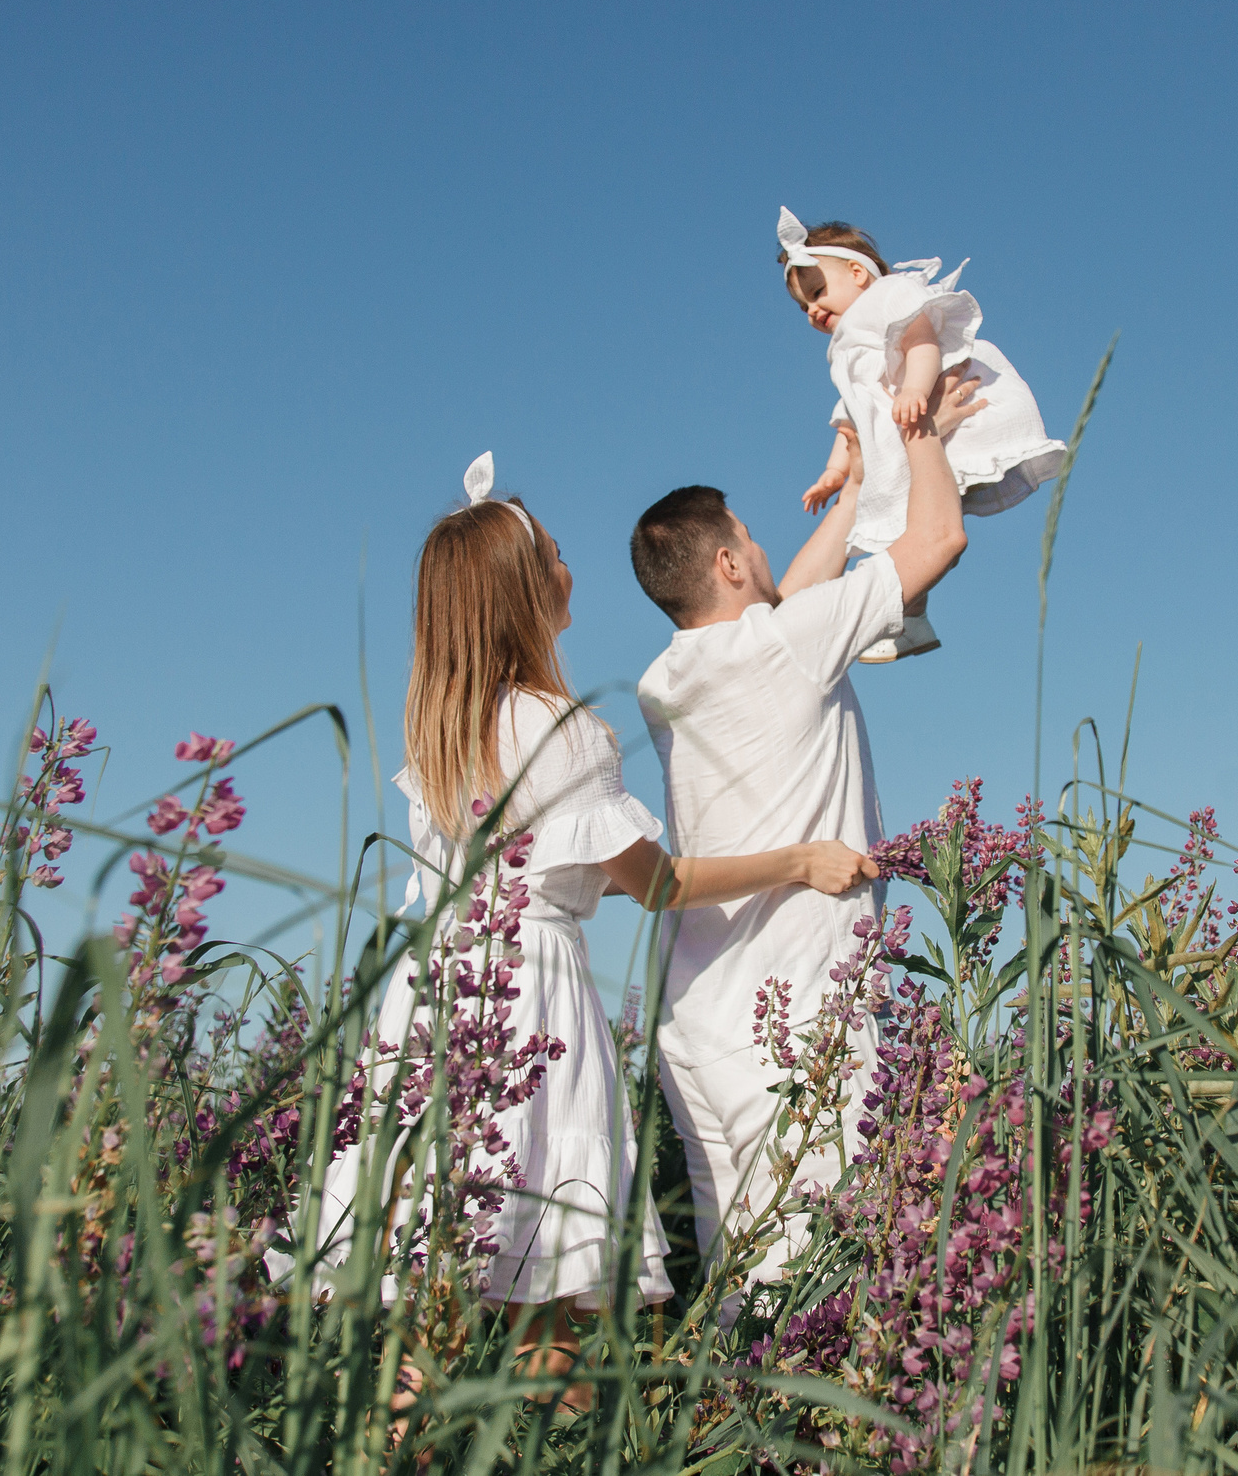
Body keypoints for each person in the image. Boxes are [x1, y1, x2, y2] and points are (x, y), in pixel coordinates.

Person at [314, 452, 877, 1400]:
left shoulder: (442, 733)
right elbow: (656, 884)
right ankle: (555, 1440)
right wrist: (798, 857)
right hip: (529, 1003)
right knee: (558, 1298)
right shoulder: (563, 726)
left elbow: (541, 871)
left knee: (423, 1294)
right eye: (561, 555)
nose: (574, 570)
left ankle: (391, 1451)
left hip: (437, 996)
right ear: (529, 589)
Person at [628, 375, 977, 1282]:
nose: (762, 542)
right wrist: (924, 430)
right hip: (801, 1012)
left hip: (698, 1028)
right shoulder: (789, 642)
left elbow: (779, 613)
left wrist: (858, 485)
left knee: (742, 1290)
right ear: (731, 564)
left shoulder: (663, 681)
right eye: (748, 535)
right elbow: (939, 539)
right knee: (828, 1283)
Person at [779, 206, 1067, 661]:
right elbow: (854, 418)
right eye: (803, 307)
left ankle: (907, 617)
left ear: (858, 273)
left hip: (934, 408)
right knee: (911, 534)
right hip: (906, 430)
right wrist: (835, 473)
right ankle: (910, 618)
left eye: (817, 293)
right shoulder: (848, 348)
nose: (813, 311)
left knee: (923, 532)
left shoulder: (888, 296)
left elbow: (922, 340)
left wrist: (914, 387)